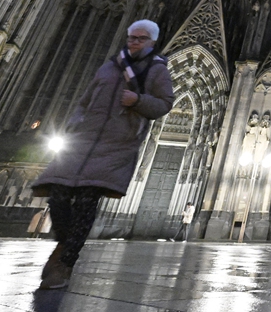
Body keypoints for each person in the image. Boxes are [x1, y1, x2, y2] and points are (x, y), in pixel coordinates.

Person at [31, 20, 174, 290]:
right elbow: (85, 99)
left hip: (116, 143)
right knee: (58, 196)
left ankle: (65, 264)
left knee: (86, 203)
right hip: (84, 140)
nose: (134, 42)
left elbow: (164, 104)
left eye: (140, 38)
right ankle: (64, 243)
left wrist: (138, 101)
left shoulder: (156, 70)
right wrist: (75, 123)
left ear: (152, 42)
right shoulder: (110, 66)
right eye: (132, 37)